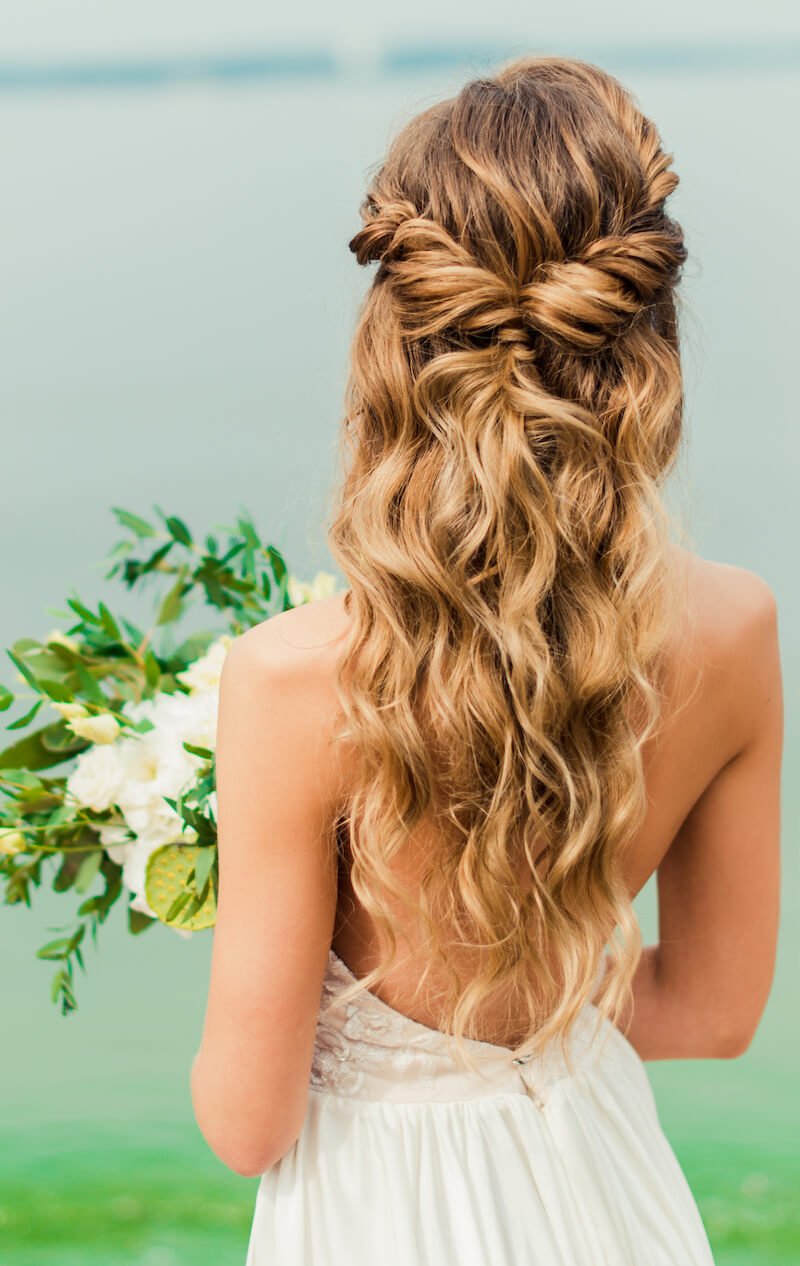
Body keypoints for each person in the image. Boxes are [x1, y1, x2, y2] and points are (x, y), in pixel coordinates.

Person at [190, 54, 783, 1264]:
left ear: (392, 339)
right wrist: (536, 983)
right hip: (601, 1185)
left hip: (377, 1213)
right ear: (646, 338)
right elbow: (716, 1013)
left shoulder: (291, 681)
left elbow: (245, 1126)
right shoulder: (734, 630)